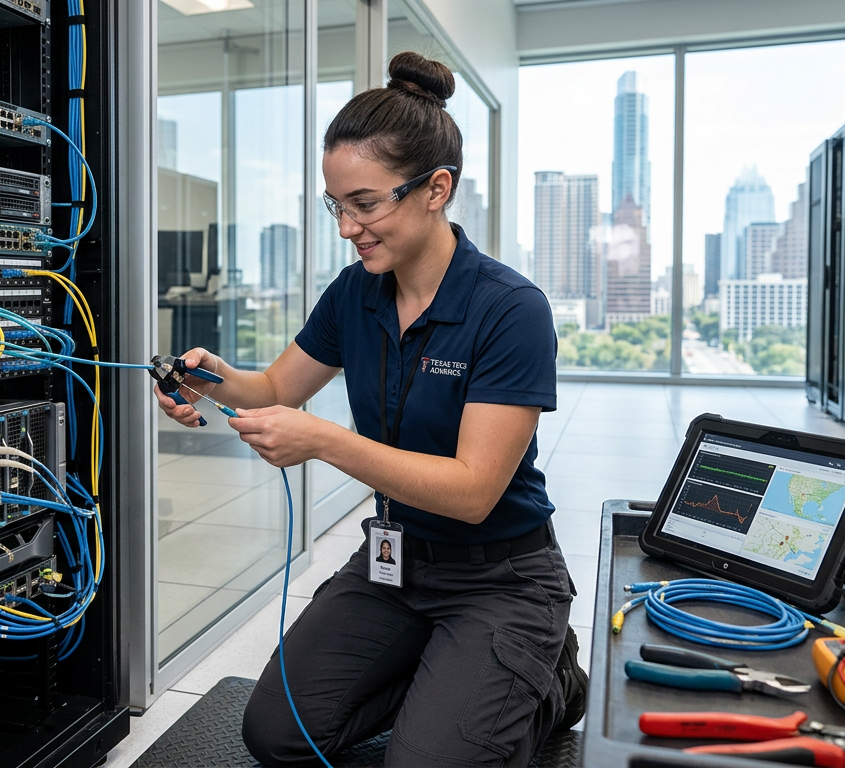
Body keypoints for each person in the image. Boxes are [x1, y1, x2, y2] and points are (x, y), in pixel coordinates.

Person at [153, 51, 587, 768]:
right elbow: (274, 391)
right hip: (395, 565)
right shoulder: (355, 293)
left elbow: (475, 492)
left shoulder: (509, 310)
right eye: (336, 205)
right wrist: (210, 378)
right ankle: (452, 682)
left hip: (499, 577)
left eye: (366, 203)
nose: (349, 226)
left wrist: (322, 441)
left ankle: (548, 680)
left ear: (436, 188)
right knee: (276, 734)